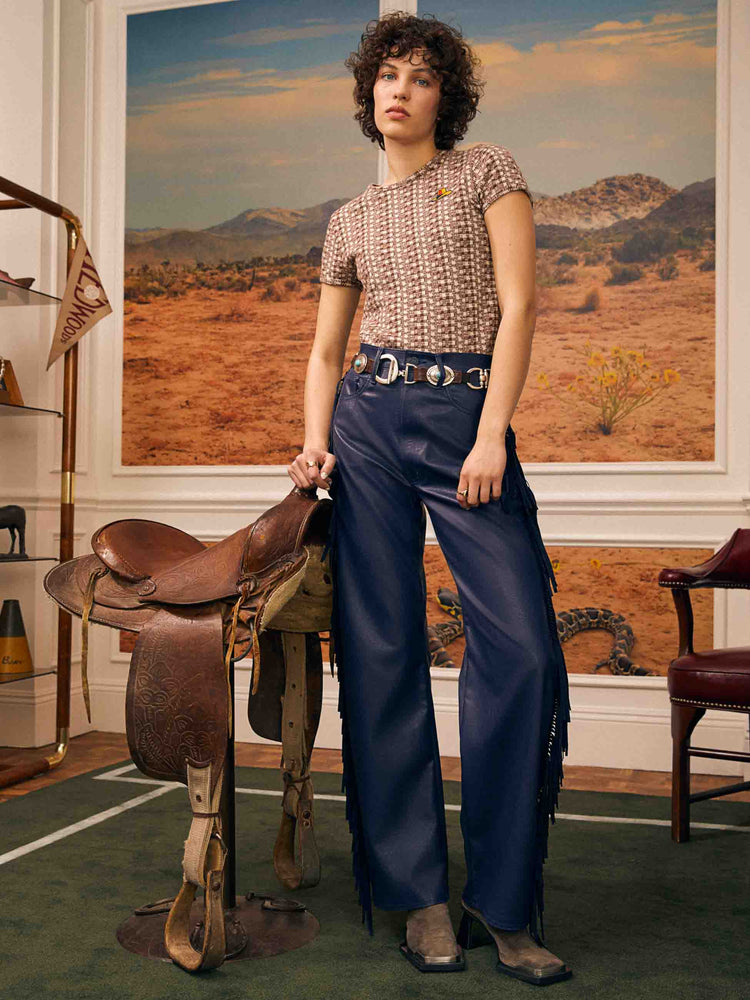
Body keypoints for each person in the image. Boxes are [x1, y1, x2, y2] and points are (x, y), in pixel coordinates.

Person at [287, 11, 572, 987]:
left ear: (448, 97)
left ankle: (506, 904)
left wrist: (492, 432)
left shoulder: (488, 169)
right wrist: (317, 441)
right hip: (367, 425)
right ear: (368, 97)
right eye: (387, 76)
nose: (400, 90)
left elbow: (521, 304)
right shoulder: (350, 220)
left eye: (421, 77)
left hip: (465, 425)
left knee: (524, 653)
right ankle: (418, 900)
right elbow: (326, 351)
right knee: (380, 654)